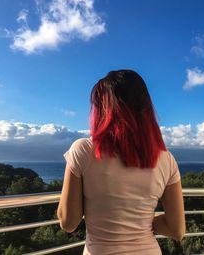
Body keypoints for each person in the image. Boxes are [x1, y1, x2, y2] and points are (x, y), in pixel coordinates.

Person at [57, 70, 185, 255]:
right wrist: (141, 221)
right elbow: (177, 230)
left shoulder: (83, 150)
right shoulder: (167, 160)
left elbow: (68, 222)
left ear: (102, 109)